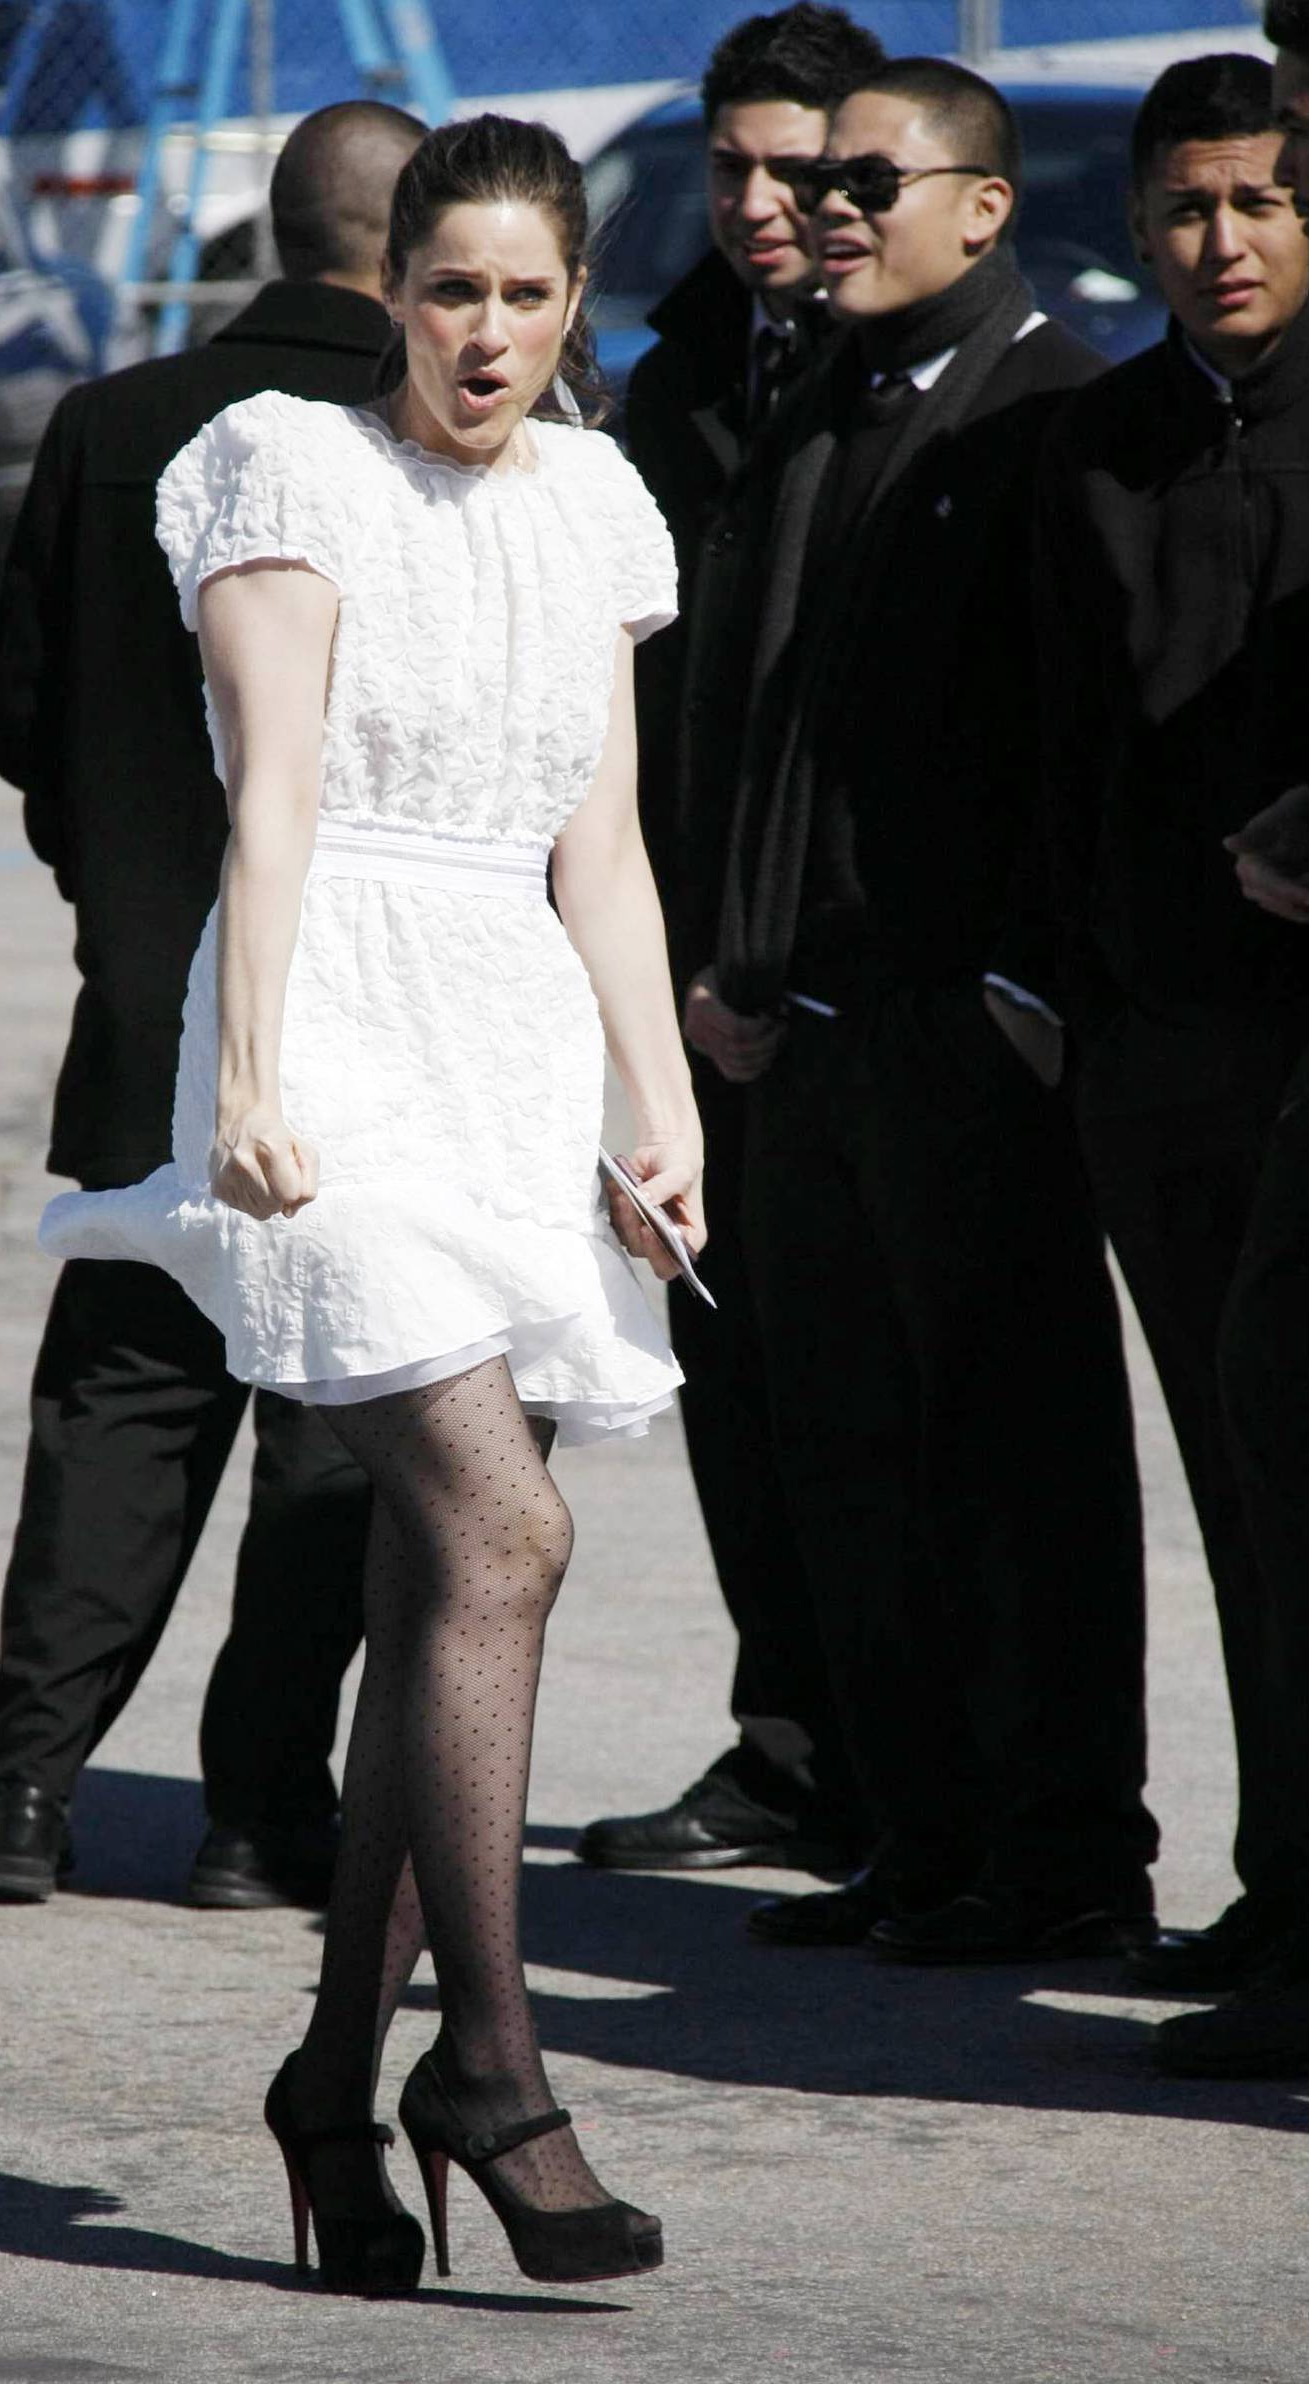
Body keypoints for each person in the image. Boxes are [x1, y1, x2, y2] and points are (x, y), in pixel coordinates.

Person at [39, 115, 701, 2291]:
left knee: (446, 1583)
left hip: (511, 1048)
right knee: (509, 1528)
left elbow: (604, 847)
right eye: (450, 291)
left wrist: (661, 1108)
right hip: (330, 1035)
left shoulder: (595, 498)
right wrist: (244, 1081)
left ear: (573, 303)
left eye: (526, 295)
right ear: (391, 289)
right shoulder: (285, 464)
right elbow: (277, 796)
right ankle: (489, 2068)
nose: (486, 334)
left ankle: (337, 2077)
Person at [686, 56, 1159, 1962]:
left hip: (959, 1032)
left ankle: (1067, 1851)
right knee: (848, 1453)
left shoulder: (1051, 412)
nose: (833, 208)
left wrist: (1018, 992)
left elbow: (1089, 738)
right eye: (827, 180)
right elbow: (759, 720)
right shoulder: (824, 398)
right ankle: (920, 1828)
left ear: (984, 205)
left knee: (1013, 1457)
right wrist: (730, 960)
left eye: (876, 181)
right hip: (802, 1029)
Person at [0, 102, 425, 1911]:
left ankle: (25, 1791)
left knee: (120, 1409)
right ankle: (259, 1810)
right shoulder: (427, 432)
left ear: (276, 232)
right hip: (361, 1017)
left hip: (149, 1000)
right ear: (412, 244)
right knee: (329, 1429)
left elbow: (27, 709)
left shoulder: (113, 421)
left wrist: (120, 895)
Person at [582, 3, 883, 1883]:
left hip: (854, 967)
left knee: (880, 1398)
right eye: (731, 170)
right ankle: (792, 1743)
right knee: (736, 1372)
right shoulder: (677, 371)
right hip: (685, 966)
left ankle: (904, 1769)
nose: (761, 204)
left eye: (799, 172)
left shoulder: (909, 374)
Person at [1036, 43, 1309, 2077]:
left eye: (1259, 202)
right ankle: (1282, 1885)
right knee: (1235, 1488)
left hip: (1300, 1042)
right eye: (1188, 209)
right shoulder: (1103, 442)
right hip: (1154, 1050)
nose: (1223, 241)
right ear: (1137, 227)